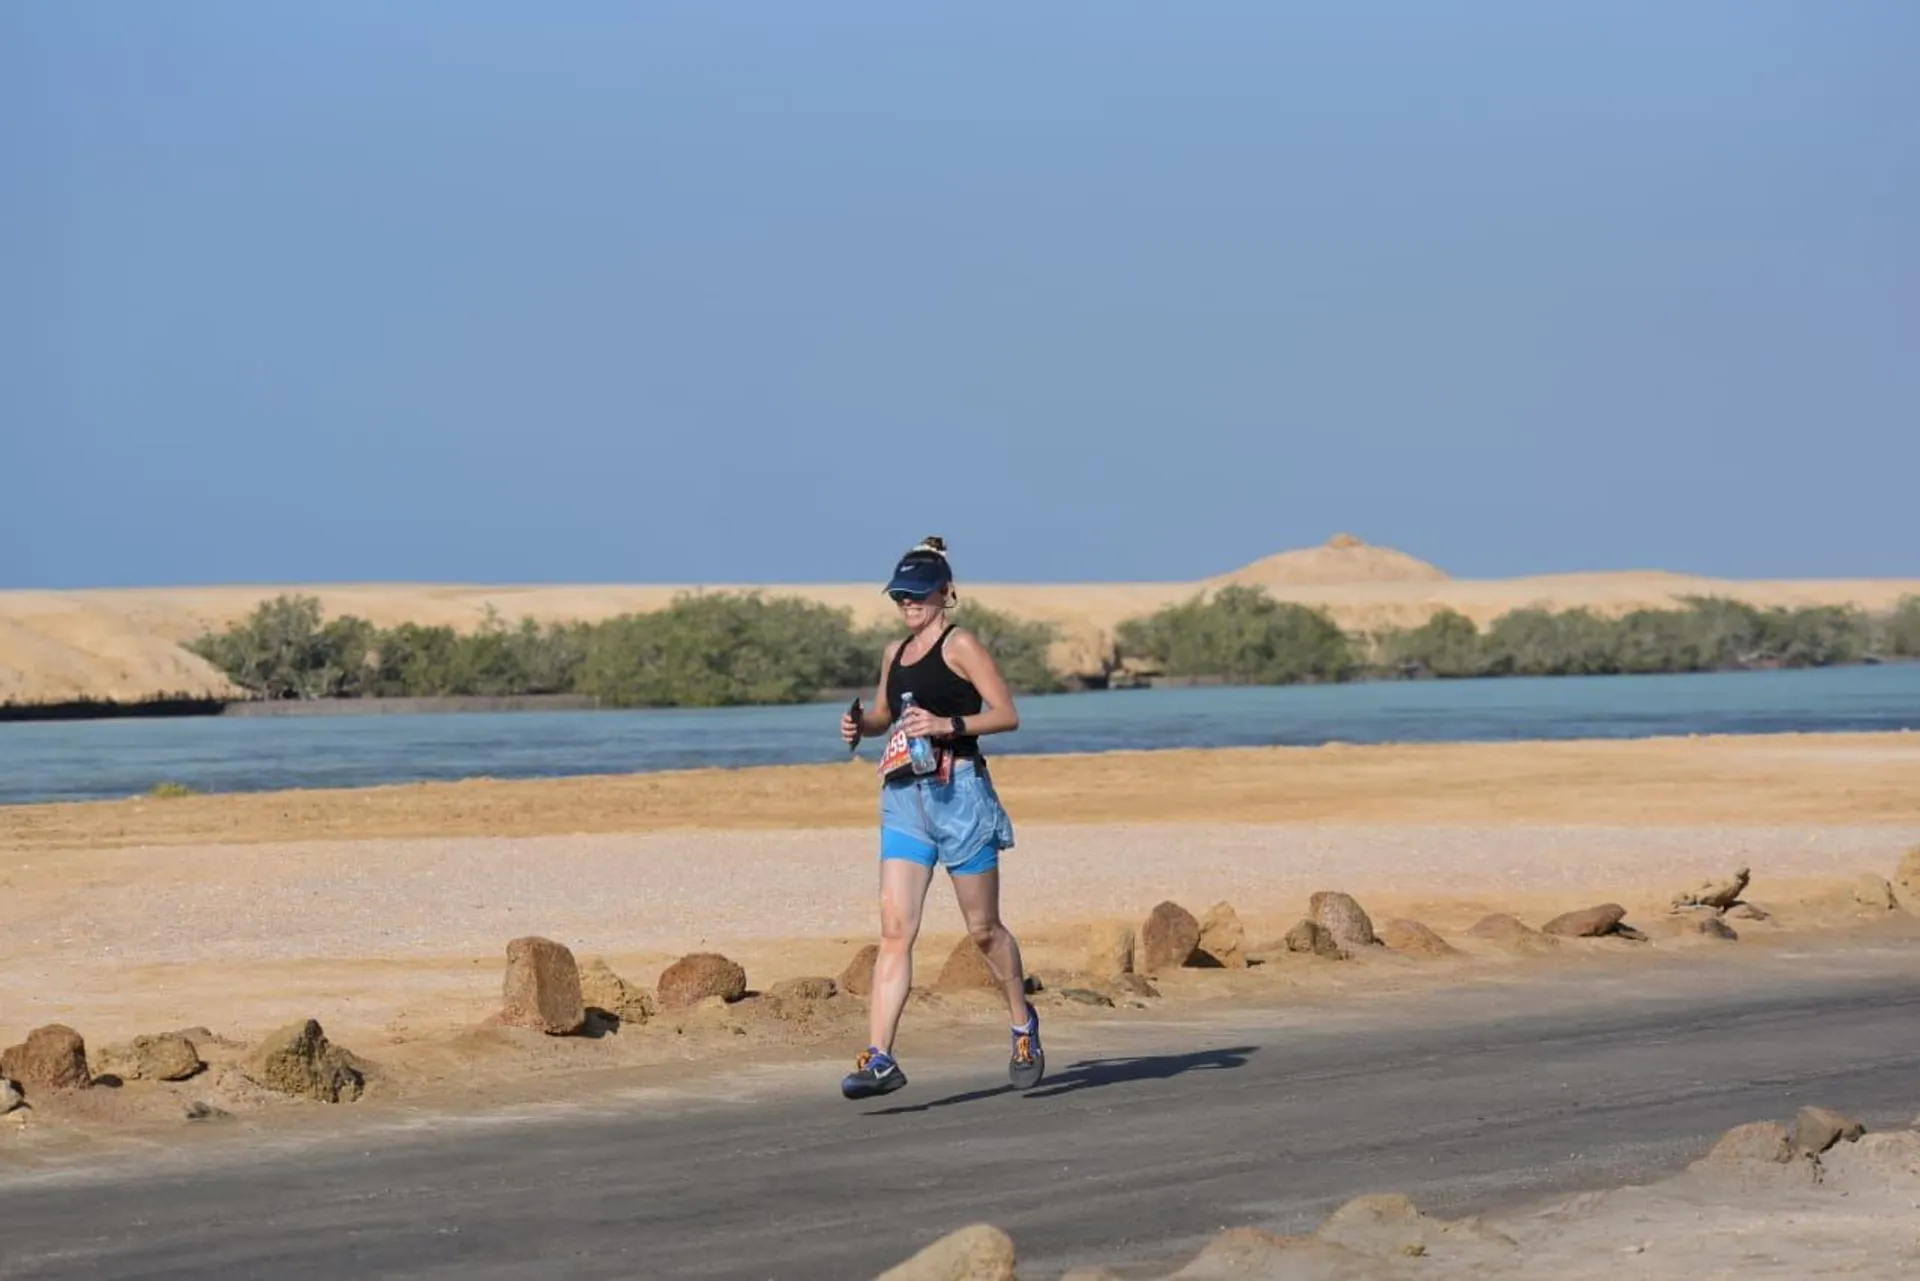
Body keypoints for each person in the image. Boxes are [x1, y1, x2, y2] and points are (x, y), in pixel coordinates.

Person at [837, 535, 1042, 1099]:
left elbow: (1006, 715)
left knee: (982, 930)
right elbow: (886, 713)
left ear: (945, 595)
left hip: (959, 797)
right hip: (904, 798)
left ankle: (1023, 1025)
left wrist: (947, 726)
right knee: (895, 931)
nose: (909, 605)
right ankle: (880, 1057)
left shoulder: (961, 646)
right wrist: (863, 727)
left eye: (918, 596)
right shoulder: (893, 654)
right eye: (901, 597)